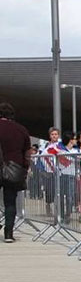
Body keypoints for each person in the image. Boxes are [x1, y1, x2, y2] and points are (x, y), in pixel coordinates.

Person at [0, 102, 31, 242]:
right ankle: (8, 234)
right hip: (14, 168)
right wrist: (24, 167)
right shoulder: (21, 129)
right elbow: (27, 152)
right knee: (10, 202)